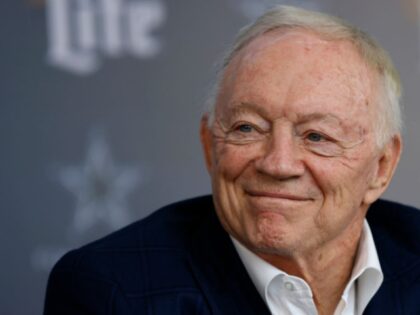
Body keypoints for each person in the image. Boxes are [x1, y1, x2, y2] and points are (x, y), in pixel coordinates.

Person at [44, 5, 420, 315]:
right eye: (247, 128)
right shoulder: (111, 292)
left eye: (316, 136)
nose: (278, 163)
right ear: (209, 145)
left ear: (381, 167)